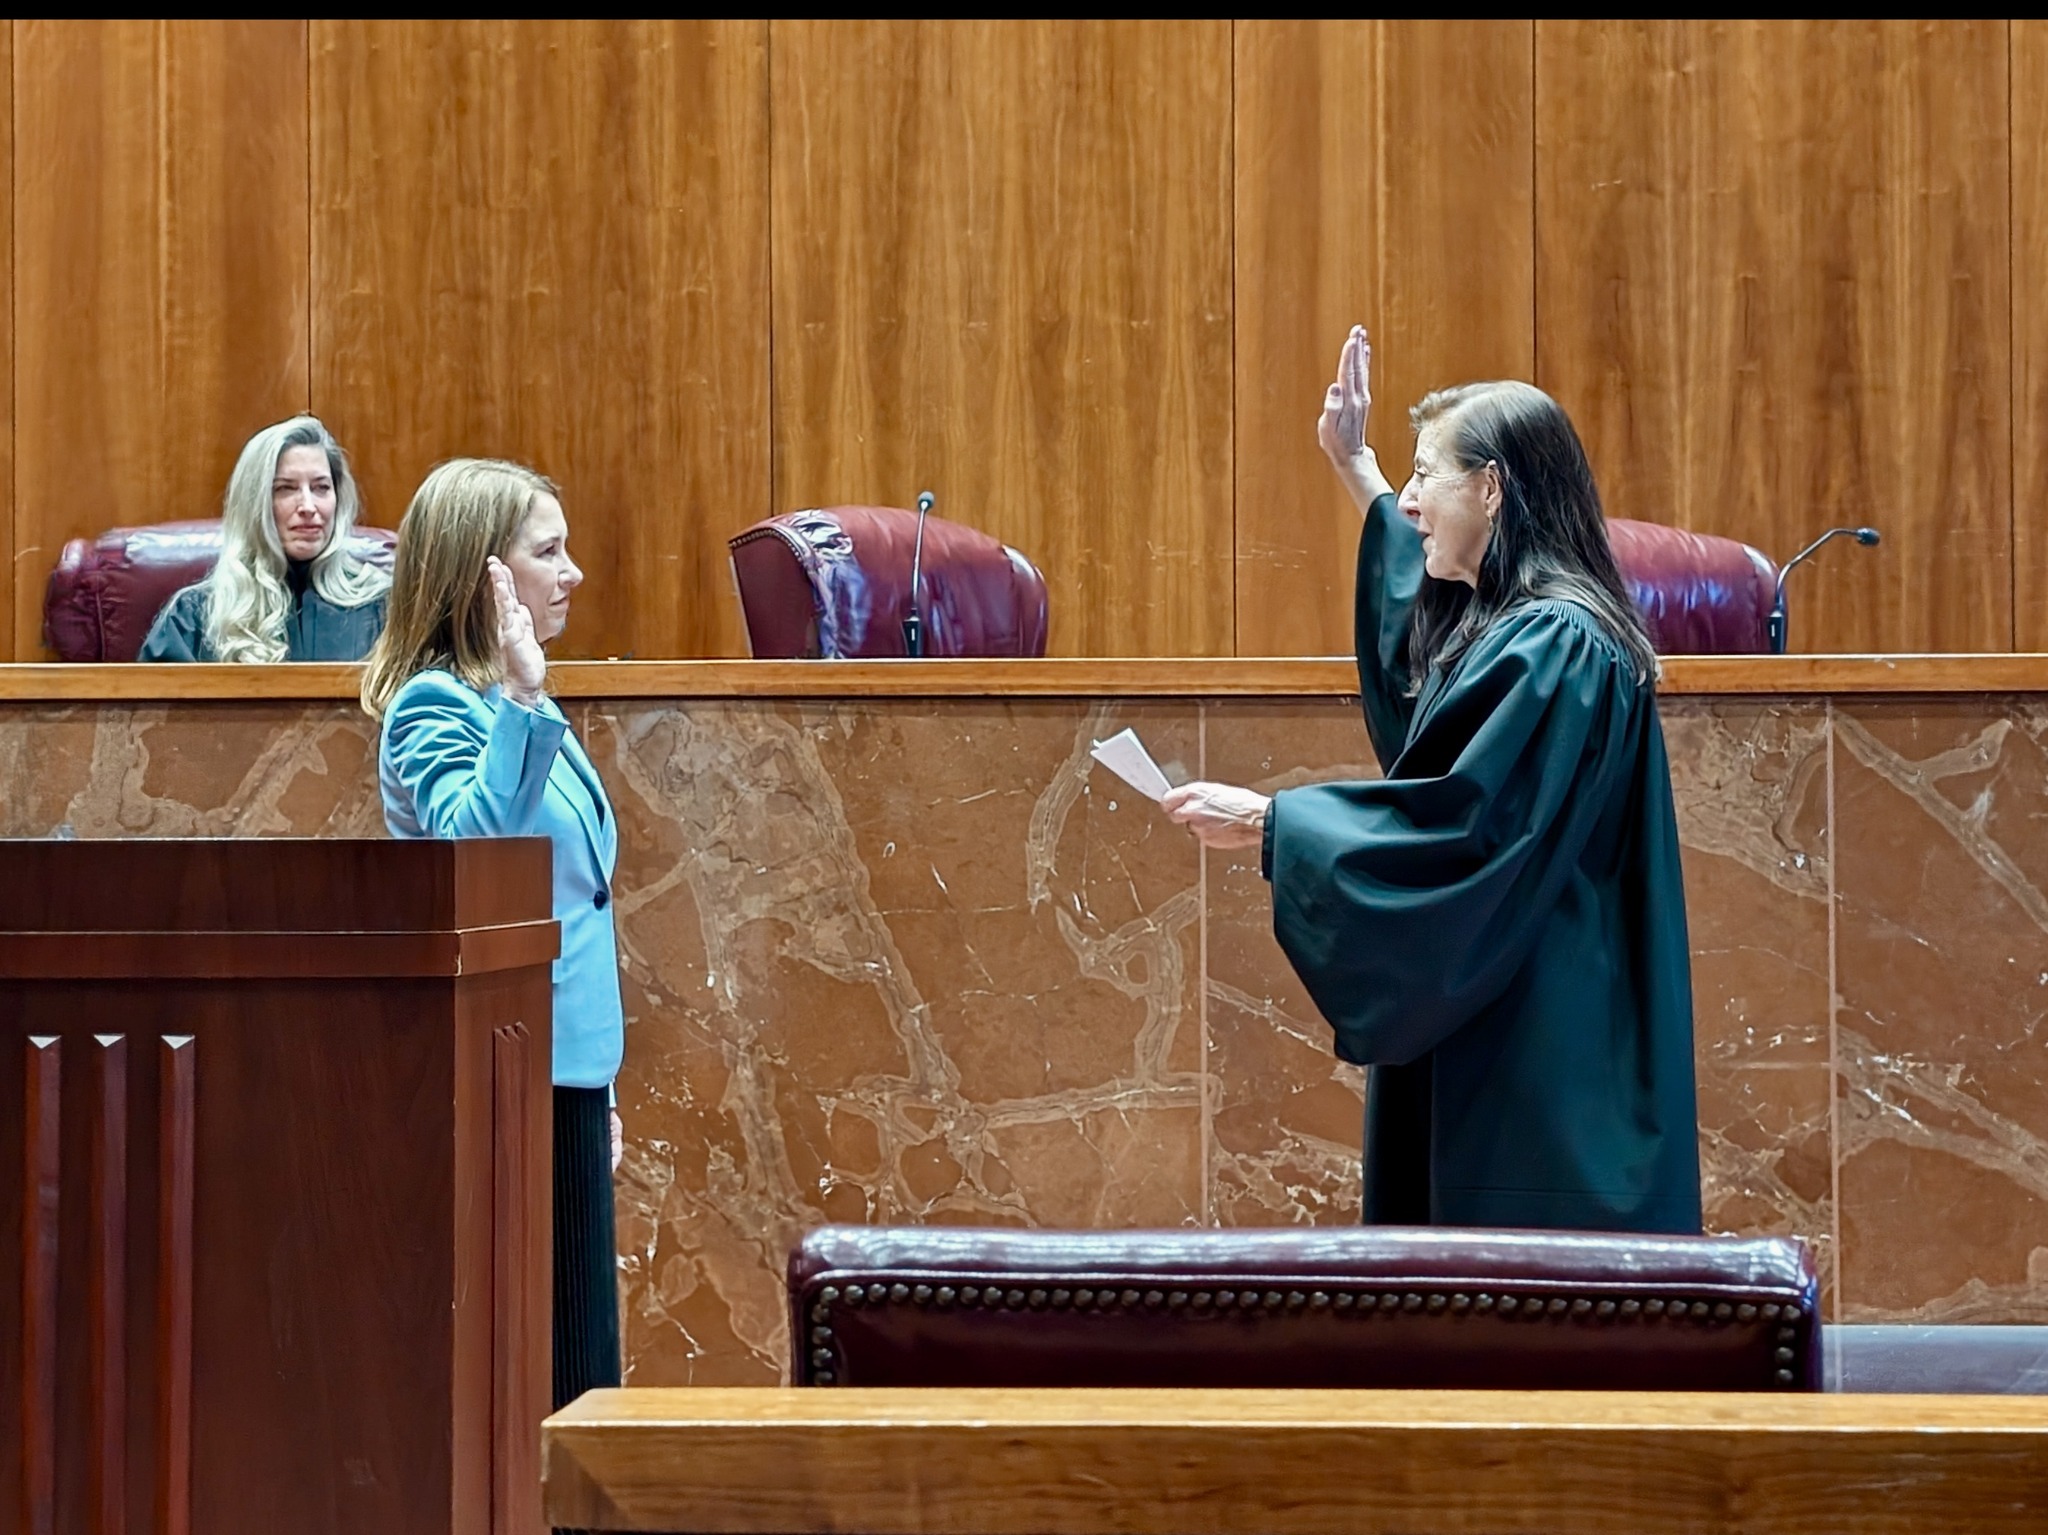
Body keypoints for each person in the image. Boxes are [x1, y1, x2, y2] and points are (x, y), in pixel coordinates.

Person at [1163, 325, 1700, 1235]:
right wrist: (1356, 466)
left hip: (1543, 1047)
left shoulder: (1557, 645)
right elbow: (1432, 677)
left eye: (1425, 476)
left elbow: (1467, 825)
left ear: (1492, 487)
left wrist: (1271, 822)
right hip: (1510, 1014)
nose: (1408, 503)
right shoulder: (1523, 627)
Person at [359, 458, 626, 1424]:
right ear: (486, 578)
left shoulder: (524, 704)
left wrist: (601, 1084)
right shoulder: (437, 706)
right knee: (542, 1372)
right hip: (506, 1075)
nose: (574, 573)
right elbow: (475, 852)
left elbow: (579, 900)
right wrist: (518, 699)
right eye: (548, 551)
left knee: (584, 1359)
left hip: (565, 1074)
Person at [140, 415, 389, 662]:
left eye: (321, 487)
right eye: (285, 489)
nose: (308, 506)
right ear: (254, 503)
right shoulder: (194, 617)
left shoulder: (381, 605)